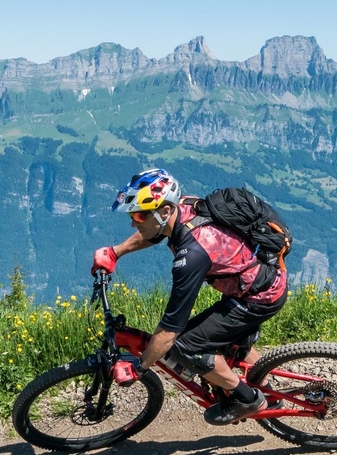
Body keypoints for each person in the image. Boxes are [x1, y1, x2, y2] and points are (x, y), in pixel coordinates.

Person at [91, 168, 288, 425]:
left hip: (258, 298)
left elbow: (170, 329)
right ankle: (268, 389)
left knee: (185, 346)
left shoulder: (191, 256)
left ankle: (247, 399)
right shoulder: (182, 207)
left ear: (164, 211)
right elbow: (154, 232)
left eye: (139, 215)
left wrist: (139, 368)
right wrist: (115, 252)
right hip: (260, 283)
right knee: (220, 343)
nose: (133, 222)